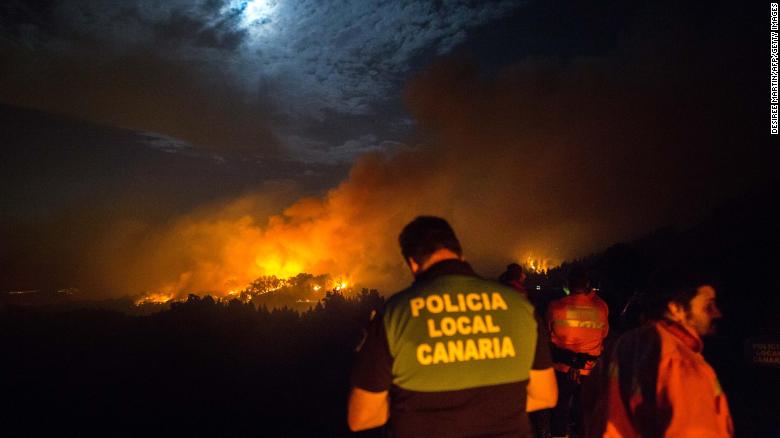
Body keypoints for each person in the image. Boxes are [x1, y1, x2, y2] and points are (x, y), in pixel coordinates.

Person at [347, 216, 558, 437]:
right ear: (460, 254)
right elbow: (546, 396)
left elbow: (362, 417)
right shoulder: (520, 307)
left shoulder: (395, 314)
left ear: (413, 263)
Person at [589, 271, 733, 437]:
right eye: (708, 306)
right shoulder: (682, 363)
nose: (717, 313)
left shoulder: (623, 344)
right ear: (676, 308)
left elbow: (590, 403)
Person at [547, 267, 609, 438]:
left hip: (562, 367)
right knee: (585, 409)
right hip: (589, 368)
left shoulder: (555, 307)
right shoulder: (601, 307)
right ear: (588, 286)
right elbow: (604, 334)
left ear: (568, 285)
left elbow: (549, 332)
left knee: (559, 408)